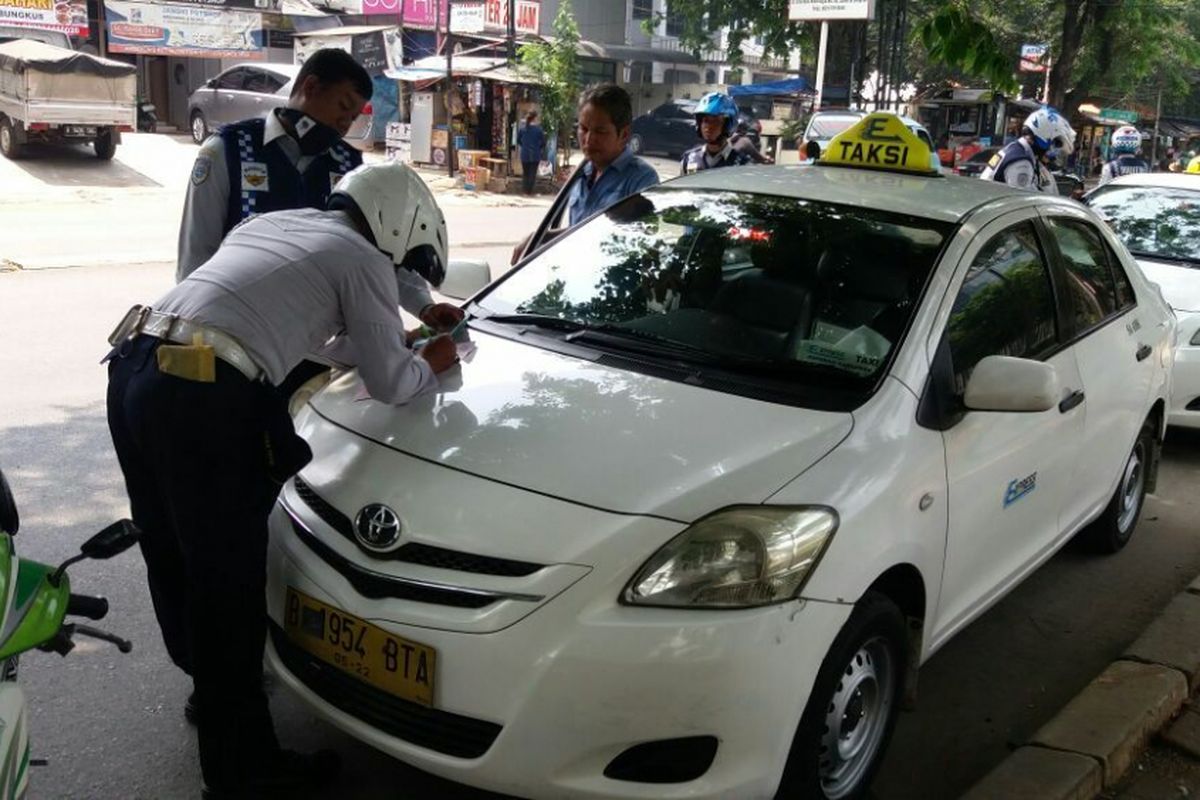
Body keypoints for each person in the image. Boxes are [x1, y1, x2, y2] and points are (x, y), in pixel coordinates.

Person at [105, 162, 461, 800]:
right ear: (400, 226)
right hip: (201, 394)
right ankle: (244, 771)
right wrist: (429, 359)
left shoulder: (279, 224)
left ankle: (208, 691)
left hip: (134, 364)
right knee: (228, 582)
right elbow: (391, 381)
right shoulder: (361, 259)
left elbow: (333, 330)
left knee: (171, 548)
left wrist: (412, 309)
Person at [177, 48, 372, 282]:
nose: (344, 124)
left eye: (353, 117)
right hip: (241, 311)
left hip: (320, 314)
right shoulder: (228, 150)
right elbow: (196, 253)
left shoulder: (349, 166)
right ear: (310, 88)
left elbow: (373, 249)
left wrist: (421, 303)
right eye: (343, 106)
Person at [510, 84, 659, 264]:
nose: (588, 140)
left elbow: (636, 246)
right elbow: (577, 230)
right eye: (584, 129)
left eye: (600, 131)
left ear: (624, 134)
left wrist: (545, 237)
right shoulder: (582, 173)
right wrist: (539, 238)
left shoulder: (642, 179)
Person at [979, 106, 1076, 194]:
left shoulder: (1019, 151)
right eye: (1056, 143)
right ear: (1044, 136)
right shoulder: (1021, 163)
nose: (1054, 149)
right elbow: (1025, 203)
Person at [680, 91, 753, 174]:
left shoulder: (741, 165)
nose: (709, 126)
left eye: (715, 121)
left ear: (728, 125)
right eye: (706, 121)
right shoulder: (690, 159)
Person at [516, 111, 546, 195]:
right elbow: (543, 142)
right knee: (532, 174)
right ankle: (529, 192)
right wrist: (538, 147)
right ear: (535, 118)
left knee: (525, 173)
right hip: (535, 155)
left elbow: (518, 141)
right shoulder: (538, 130)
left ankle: (525, 191)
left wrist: (524, 146)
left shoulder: (522, 129)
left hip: (524, 154)